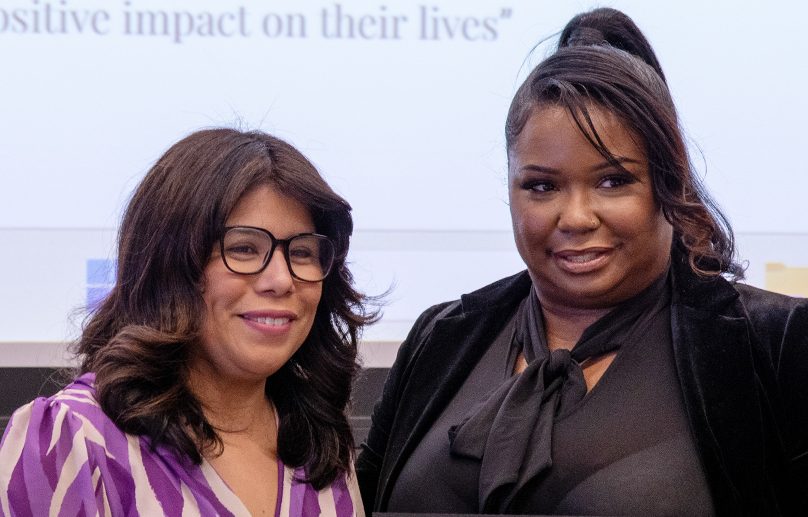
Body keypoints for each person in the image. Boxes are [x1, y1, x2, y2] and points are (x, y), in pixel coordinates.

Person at [356, 8, 808, 516]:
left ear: (668, 180)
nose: (575, 217)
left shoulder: (775, 343)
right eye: (542, 186)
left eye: (613, 181)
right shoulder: (440, 337)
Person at [0, 128, 373, 516]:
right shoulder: (72, 439)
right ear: (170, 265)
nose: (281, 279)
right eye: (243, 249)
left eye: (302, 252)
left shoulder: (320, 444)